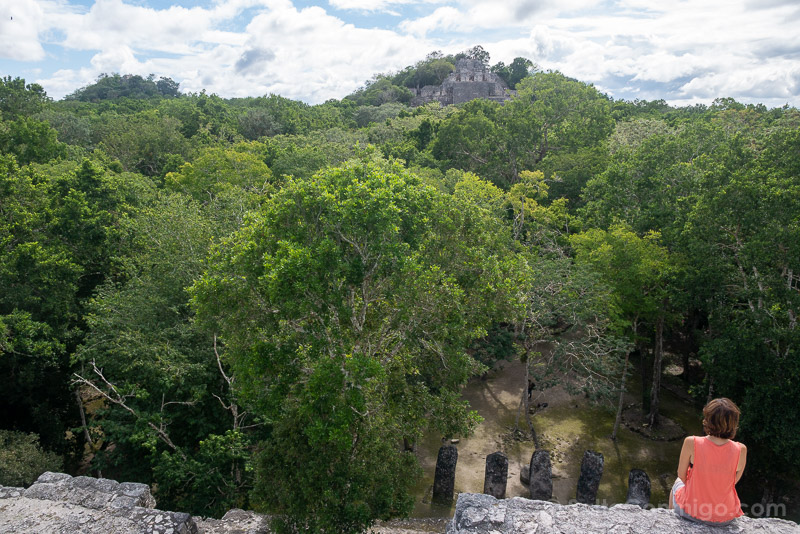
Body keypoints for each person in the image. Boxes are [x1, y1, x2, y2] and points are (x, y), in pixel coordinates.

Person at [669, 397, 747, 525]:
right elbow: (733, 481)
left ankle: (673, 523)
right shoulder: (741, 449)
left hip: (691, 513)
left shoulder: (692, 442)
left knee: (676, 484)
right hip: (725, 517)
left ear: (708, 420)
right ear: (734, 423)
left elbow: (681, 475)